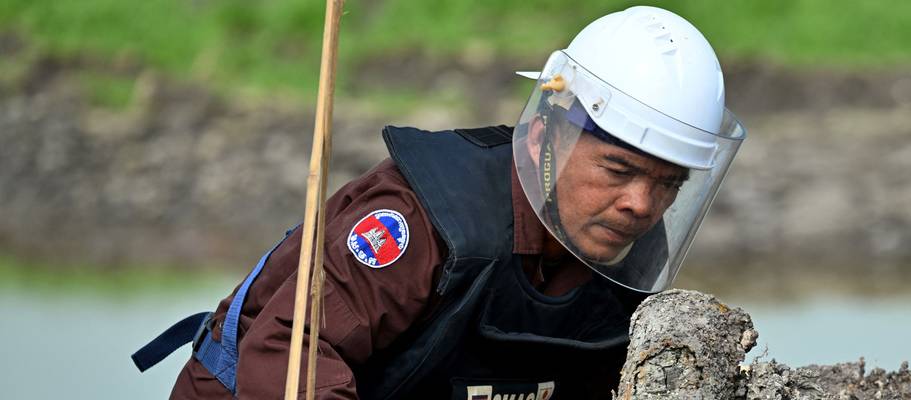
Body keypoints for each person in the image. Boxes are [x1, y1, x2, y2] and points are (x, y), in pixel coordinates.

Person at [132, 5, 746, 399]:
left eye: (669, 184)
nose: (642, 204)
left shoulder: (624, 254)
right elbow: (290, 351)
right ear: (544, 133)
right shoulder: (421, 226)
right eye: (619, 169)